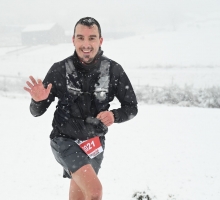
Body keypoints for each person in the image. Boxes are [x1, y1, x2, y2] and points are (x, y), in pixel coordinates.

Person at [24, 17, 138, 200]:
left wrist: (114, 115)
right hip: (65, 141)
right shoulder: (60, 69)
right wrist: (38, 101)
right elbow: (36, 112)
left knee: (80, 196)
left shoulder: (114, 70)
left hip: (95, 144)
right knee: (94, 192)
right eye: (81, 38)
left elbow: (132, 107)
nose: (86, 44)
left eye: (92, 38)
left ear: (100, 40)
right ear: (73, 40)